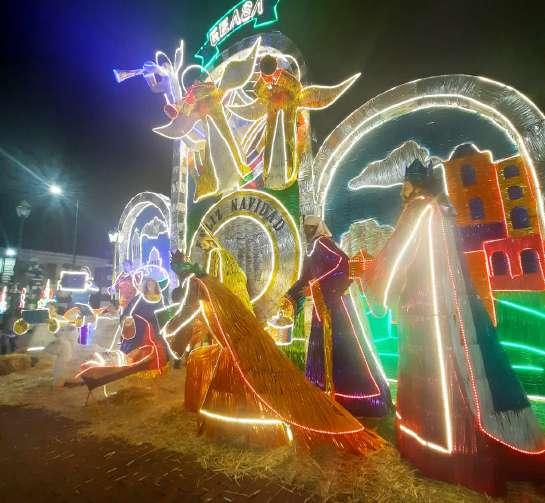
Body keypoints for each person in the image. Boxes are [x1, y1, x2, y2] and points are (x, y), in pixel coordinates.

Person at [359, 159, 545, 495]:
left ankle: (441, 454)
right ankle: (473, 446)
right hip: (458, 309)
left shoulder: (418, 209)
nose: (402, 190)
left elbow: (396, 256)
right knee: (468, 379)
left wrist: (375, 289)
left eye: (405, 184)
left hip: (428, 315)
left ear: (412, 184)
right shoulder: (444, 209)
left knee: (438, 385)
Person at [163, 251, 384, 454]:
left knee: (246, 386)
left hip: (237, 346)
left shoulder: (197, 284)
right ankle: (228, 427)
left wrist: (170, 333)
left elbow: (186, 314)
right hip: (235, 344)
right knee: (223, 380)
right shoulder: (208, 283)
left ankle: (246, 430)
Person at [280, 216, 391, 418]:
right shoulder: (312, 251)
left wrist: (318, 286)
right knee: (323, 353)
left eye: (311, 228)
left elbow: (344, 265)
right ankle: (326, 397)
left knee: (346, 352)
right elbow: (304, 279)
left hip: (337, 311)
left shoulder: (324, 244)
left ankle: (358, 401)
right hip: (321, 310)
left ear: (318, 228)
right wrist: (289, 297)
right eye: (305, 228)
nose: (307, 231)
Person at [196, 226, 253, 312]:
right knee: (244, 308)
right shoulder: (224, 252)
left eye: (204, 245)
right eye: (201, 246)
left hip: (228, 285)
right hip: (239, 285)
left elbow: (211, 274)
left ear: (211, 243)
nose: (203, 248)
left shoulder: (213, 253)